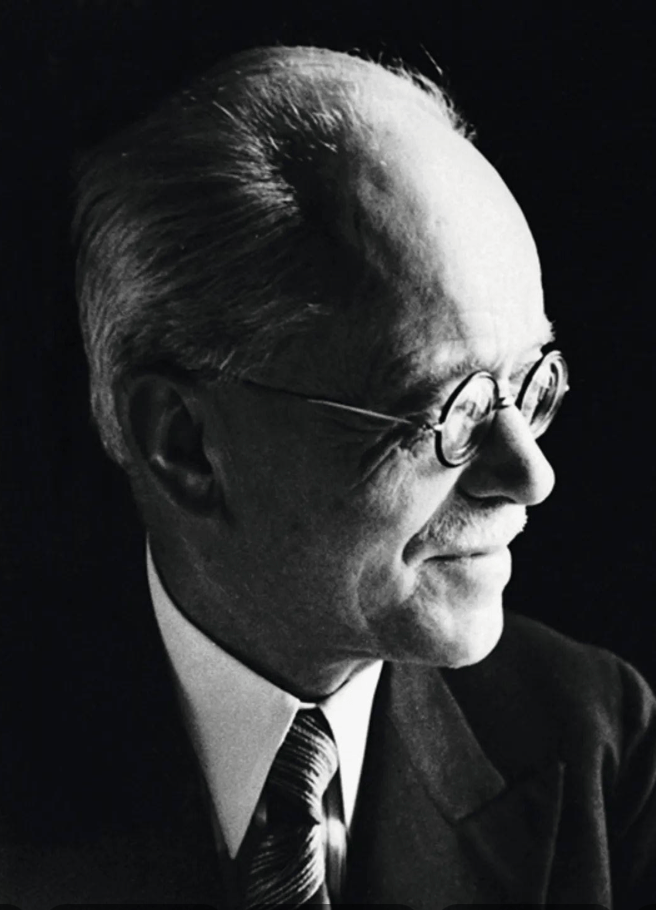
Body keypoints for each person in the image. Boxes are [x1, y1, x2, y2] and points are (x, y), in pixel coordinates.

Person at [4, 45, 656, 909]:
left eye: (531, 383)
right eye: (449, 408)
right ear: (185, 445)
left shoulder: (602, 743)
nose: (531, 475)